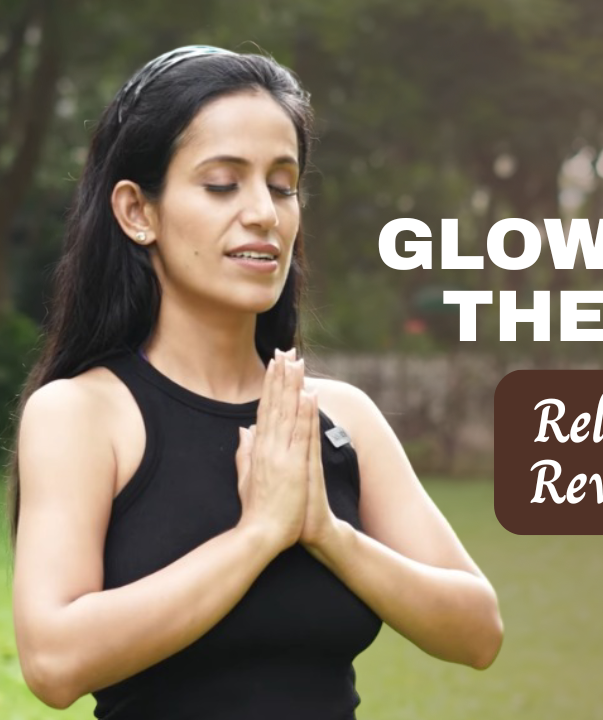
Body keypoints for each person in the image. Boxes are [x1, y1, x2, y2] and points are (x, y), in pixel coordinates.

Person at [6, 45, 503, 719]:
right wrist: (258, 534)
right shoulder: (84, 414)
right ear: (137, 211)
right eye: (222, 184)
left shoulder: (340, 417)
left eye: (282, 184)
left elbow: (477, 630)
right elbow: (53, 662)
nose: (264, 213)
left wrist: (327, 532)